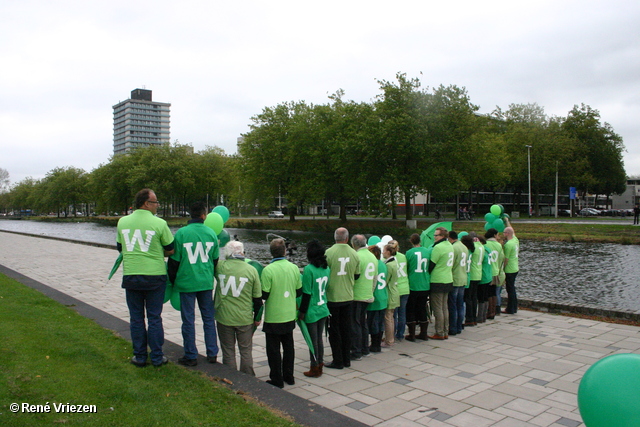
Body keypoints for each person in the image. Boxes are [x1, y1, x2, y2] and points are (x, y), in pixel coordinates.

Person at [117, 188, 174, 367]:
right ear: (146, 203)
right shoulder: (159, 224)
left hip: (131, 274)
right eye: (155, 202)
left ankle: (140, 356)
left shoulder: (122, 222)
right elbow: (171, 248)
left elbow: (121, 247)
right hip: (154, 275)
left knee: (136, 318)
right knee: (154, 317)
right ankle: (157, 356)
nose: (157, 205)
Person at [167, 202, 219, 367]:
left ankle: (191, 355)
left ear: (191, 214)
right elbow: (215, 260)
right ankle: (212, 353)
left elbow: (173, 262)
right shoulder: (211, 234)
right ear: (204, 215)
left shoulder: (181, 233)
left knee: (188, 320)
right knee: (208, 319)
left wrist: (173, 281)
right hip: (205, 282)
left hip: (186, 282)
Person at [214, 241, 262, 375]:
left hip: (224, 316)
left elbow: (213, 259)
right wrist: (257, 317)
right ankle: (248, 378)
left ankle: (231, 378)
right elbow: (257, 299)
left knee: (228, 350)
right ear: (242, 252)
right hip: (244, 317)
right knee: (246, 350)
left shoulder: (220, 266)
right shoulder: (251, 270)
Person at [261, 238, 302, 388]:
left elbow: (264, 294)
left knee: (273, 349)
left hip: (274, 315)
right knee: (288, 346)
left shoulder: (268, 270)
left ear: (271, 253)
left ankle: (276, 378)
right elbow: (299, 291)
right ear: (285, 251)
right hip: (289, 313)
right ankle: (289, 375)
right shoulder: (294, 268)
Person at [325, 227, 360, 370]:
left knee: (334, 330)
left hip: (333, 296)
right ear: (347, 238)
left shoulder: (328, 253)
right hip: (348, 296)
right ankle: (347, 359)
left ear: (335, 238)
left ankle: (337, 360)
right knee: (347, 328)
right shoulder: (354, 254)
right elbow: (357, 275)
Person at [298, 240, 330, 378]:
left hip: (312, 309)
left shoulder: (309, 270)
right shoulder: (326, 269)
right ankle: (320, 363)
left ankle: (314, 366)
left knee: (312, 341)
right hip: (323, 307)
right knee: (319, 339)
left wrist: (302, 312)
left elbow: (306, 293)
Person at [350, 234, 377, 361]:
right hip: (367, 293)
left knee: (355, 323)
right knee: (363, 322)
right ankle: (365, 348)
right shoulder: (372, 256)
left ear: (353, 244)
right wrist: (371, 291)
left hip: (357, 294)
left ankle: (356, 351)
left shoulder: (356, 256)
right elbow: (375, 278)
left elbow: (353, 276)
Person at [428, 227, 454, 340]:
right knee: (444, 307)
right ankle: (445, 330)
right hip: (448, 279)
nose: (434, 237)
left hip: (437, 280)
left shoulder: (438, 248)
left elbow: (431, 265)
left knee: (437, 308)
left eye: (436, 235)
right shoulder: (450, 246)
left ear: (442, 236)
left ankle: (439, 332)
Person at [405, 233, 431, 341]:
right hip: (425, 283)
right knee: (422, 308)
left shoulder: (409, 253)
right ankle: (423, 333)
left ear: (411, 241)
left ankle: (412, 334)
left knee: (411, 308)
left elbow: (406, 267)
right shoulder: (427, 251)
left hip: (413, 284)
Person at [366, 245, 388, 353]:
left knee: (373, 323)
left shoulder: (373, 265)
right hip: (383, 296)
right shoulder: (383, 264)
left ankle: (374, 345)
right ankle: (377, 344)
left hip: (375, 297)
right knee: (380, 323)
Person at [448, 230, 469, 336]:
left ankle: (453, 327)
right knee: (460, 304)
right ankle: (460, 325)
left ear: (450, 238)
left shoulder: (453, 248)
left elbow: (451, 264)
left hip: (455, 278)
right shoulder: (464, 247)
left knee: (453, 305)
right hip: (463, 277)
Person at [389, 240, 409, 343]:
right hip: (405, 287)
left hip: (395, 288)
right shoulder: (403, 256)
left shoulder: (388, 259)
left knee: (393, 314)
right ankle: (400, 334)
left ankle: (391, 334)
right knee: (402, 313)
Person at [382, 243, 400, 348]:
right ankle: (390, 338)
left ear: (388, 252)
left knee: (388, 317)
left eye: (384, 251)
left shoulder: (389, 265)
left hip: (390, 292)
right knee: (391, 317)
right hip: (394, 291)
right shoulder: (394, 262)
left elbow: (385, 280)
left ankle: (389, 340)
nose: (383, 253)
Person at [484, 228, 503, 319]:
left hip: (487, 271)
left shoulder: (485, 244)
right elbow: (501, 258)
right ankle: (493, 311)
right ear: (495, 235)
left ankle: (487, 311)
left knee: (486, 293)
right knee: (493, 292)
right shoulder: (498, 245)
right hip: (495, 271)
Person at [502, 219, 520, 314]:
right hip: (515, 268)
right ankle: (514, 307)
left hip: (509, 269)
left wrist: (502, 269)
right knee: (512, 288)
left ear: (507, 234)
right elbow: (512, 230)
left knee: (510, 289)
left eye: (504, 232)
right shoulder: (515, 240)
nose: (503, 234)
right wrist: (507, 221)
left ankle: (511, 308)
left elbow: (506, 259)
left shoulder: (508, 245)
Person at [463, 233, 480, 326]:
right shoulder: (472, 251)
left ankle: (469, 318)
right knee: (473, 297)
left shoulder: (466, 252)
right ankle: (474, 317)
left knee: (468, 299)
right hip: (473, 275)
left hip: (468, 277)